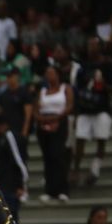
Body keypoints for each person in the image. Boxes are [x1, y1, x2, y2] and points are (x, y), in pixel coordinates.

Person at [71, 43, 112, 186]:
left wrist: (103, 84)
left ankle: (95, 170)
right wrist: (76, 112)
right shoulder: (83, 67)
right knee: (79, 139)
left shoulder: (108, 66)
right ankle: (76, 170)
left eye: (95, 46)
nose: (92, 48)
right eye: (90, 46)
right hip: (85, 109)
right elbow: (77, 91)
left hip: (102, 109)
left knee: (101, 140)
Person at [35, 65, 71, 202]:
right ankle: (50, 190)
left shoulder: (65, 89)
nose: (49, 76)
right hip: (44, 124)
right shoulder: (43, 91)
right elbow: (36, 109)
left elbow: (69, 106)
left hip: (59, 123)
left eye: (52, 73)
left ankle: (63, 189)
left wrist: (56, 120)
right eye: (47, 73)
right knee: (48, 157)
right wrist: (44, 121)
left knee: (58, 155)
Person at [0, 113, 28, 222]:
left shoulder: (10, 137)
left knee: (12, 215)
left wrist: (21, 185)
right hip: (3, 183)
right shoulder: (1, 139)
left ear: (2, 126)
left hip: (12, 184)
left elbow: (18, 161)